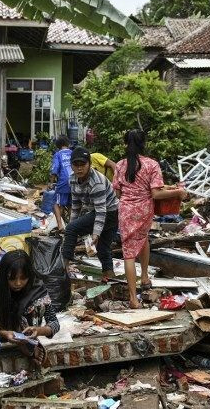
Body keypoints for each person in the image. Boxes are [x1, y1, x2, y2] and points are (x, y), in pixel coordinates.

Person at [112, 130, 185, 308]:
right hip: (144, 210)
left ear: (125, 144)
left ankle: (133, 298)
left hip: (126, 211)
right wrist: (178, 191)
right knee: (143, 239)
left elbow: (117, 192)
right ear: (143, 144)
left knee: (128, 253)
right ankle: (143, 278)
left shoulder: (120, 165)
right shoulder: (151, 164)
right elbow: (156, 193)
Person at [62, 146, 119, 282]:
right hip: (101, 211)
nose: (80, 168)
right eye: (76, 165)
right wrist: (72, 229)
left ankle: (63, 268)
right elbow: (76, 206)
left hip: (111, 212)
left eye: (83, 164)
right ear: (71, 165)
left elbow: (101, 211)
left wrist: (96, 233)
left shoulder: (97, 181)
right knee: (102, 248)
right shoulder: (72, 179)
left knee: (72, 230)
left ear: (90, 164)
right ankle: (109, 276)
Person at [0, 250, 60, 342]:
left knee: (39, 303)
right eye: (12, 278)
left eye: (23, 278)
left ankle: (26, 343)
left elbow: (54, 323)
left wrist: (38, 331)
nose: (18, 283)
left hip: (27, 336)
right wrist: (2, 333)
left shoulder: (37, 288)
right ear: (4, 276)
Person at [50, 135, 73, 231]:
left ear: (58, 145)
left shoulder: (58, 155)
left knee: (56, 203)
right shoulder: (73, 153)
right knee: (71, 204)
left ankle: (60, 225)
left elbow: (54, 170)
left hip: (63, 182)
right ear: (68, 144)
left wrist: (51, 182)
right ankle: (72, 226)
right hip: (74, 182)